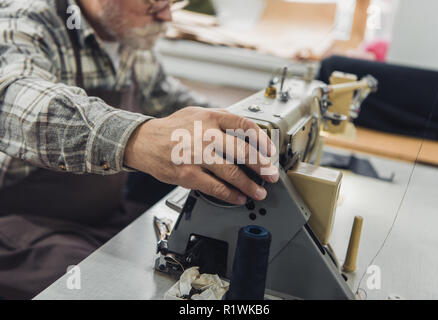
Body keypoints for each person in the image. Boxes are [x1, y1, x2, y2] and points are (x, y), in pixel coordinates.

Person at [0, 0, 279, 299]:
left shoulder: (127, 37)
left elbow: (170, 100)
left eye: (174, 2)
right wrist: (137, 137)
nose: (166, 15)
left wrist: (250, 133)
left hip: (105, 216)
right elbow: (14, 97)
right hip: (21, 228)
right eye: (154, 3)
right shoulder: (27, 18)